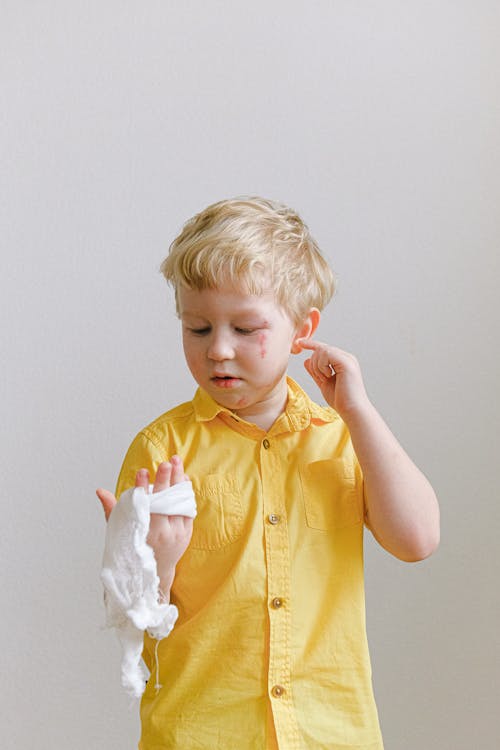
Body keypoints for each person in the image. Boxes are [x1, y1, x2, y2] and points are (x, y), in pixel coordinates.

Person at [97, 196, 440, 750]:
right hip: (200, 733)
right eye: (199, 328)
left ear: (302, 329)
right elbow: (133, 619)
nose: (220, 350)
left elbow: (418, 540)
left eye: (245, 327)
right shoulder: (162, 450)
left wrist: (359, 413)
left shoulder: (341, 436)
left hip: (330, 732)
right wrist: (153, 559)